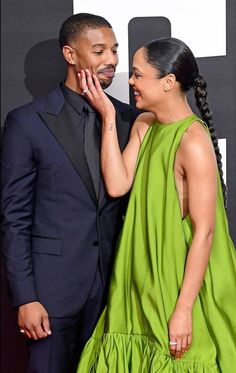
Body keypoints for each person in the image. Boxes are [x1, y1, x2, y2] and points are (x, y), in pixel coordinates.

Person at [75, 37, 236, 372]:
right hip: (139, 268)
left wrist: (183, 309)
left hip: (177, 277)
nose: (130, 81)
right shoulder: (144, 125)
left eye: (137, 74)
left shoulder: (193, 141)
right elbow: (118, 184)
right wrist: (106, 116)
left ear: (168, 82)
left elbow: (205, 231)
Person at [1, 13, 139, 373]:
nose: (111, 59)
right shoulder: (27, 122)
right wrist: (26, 297)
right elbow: (13, 218)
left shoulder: (129, 120)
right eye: (98, 50)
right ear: (70, 54)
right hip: (51, 293)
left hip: (115, 290)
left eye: (114, 50)